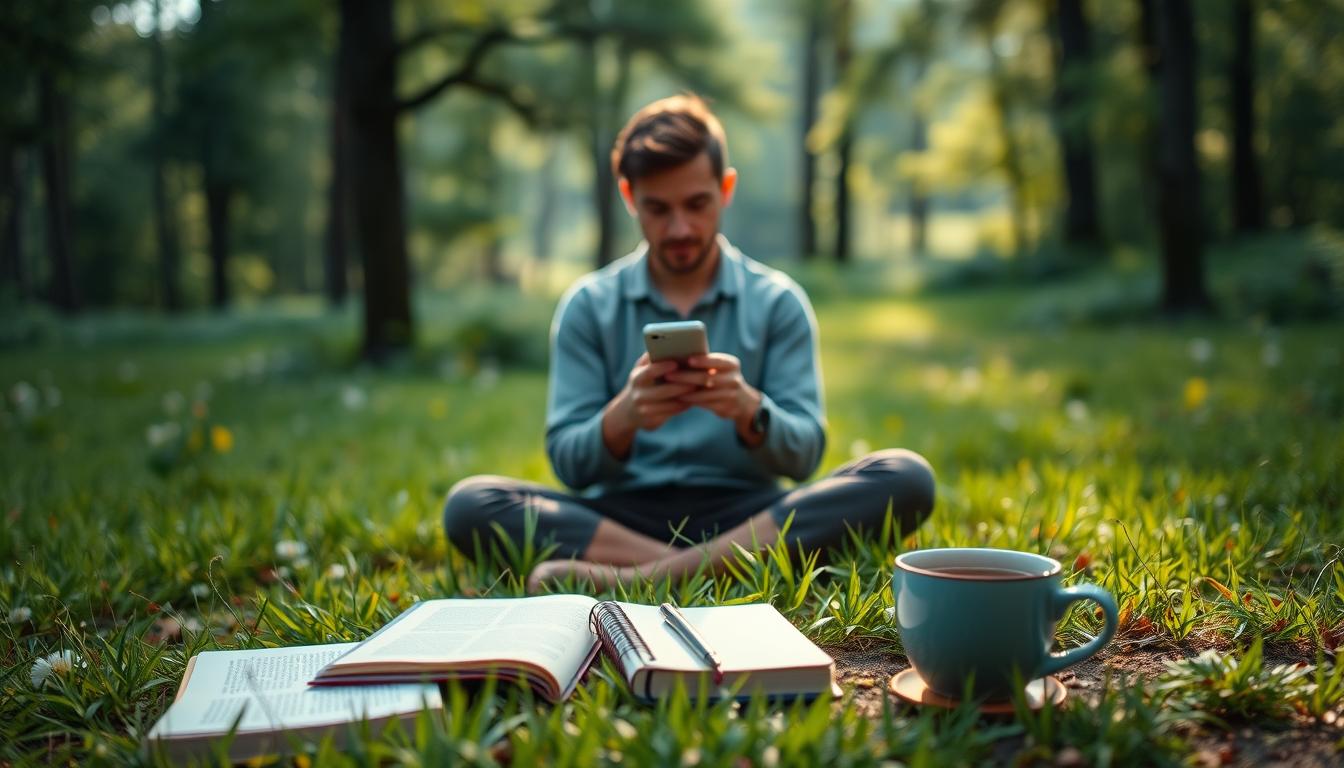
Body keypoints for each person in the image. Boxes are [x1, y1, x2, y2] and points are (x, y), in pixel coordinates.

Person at [443, 94, 935, 590]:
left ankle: (646, 579)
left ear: (725, 189)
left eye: (696, 204)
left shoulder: (777, 302)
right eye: (658, 208)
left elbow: (804, 456)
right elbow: (570, 464)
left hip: (746, 512)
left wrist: (749, 410)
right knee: (471, 504)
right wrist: (626, 414)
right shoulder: (588, 305)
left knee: (905, 476)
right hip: (624, 520)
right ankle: (722, 571)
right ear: (629, 196)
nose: (679, 228)